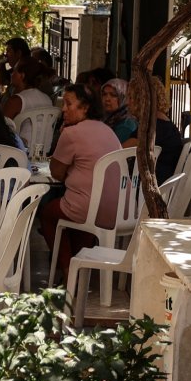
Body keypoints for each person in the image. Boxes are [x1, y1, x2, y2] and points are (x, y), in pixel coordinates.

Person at [38, 83, 125, 276]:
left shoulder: (71, 133)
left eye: (68, 104)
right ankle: (80, 267)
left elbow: (57, 173)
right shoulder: (107, 129)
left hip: (88, 208)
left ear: (85, 107)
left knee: (48, 213)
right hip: (120, 209)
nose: (64, 109)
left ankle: (69, 269)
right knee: (77, 209)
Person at [125, 83, 186, 184]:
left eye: (131, 97)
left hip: (150, 190)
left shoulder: (152, 128)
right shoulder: (165, 125)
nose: (128, 102)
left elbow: (118, 151)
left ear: (142, 100)